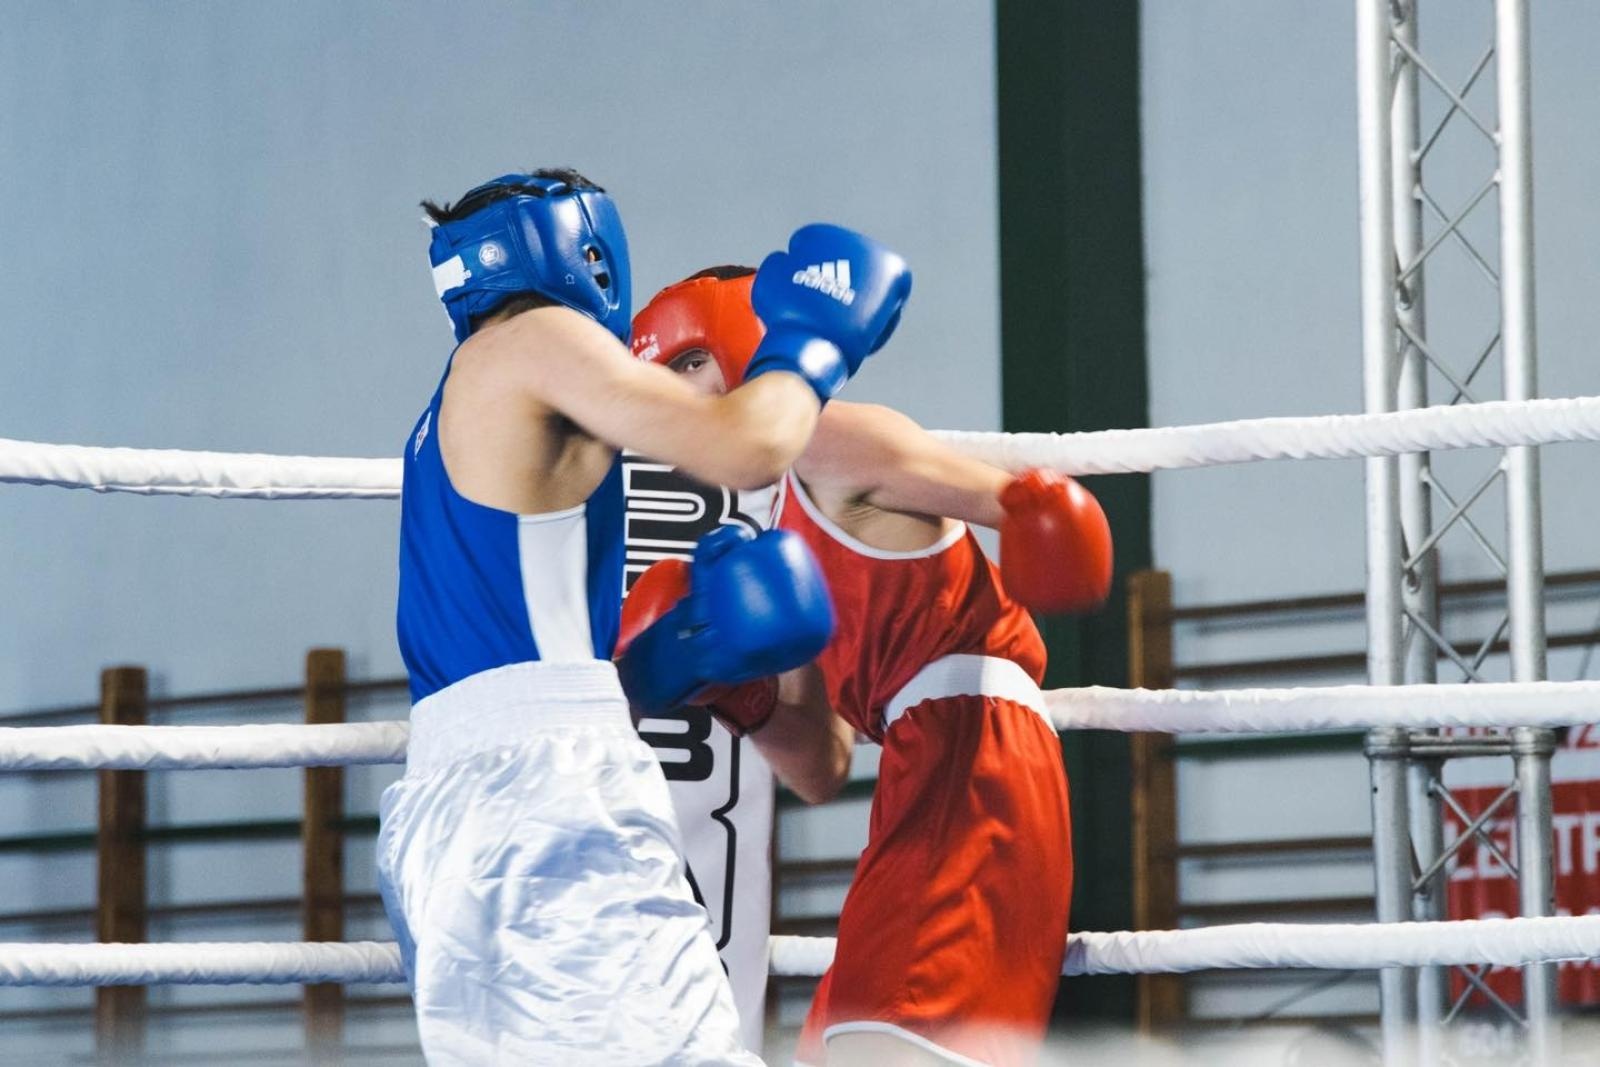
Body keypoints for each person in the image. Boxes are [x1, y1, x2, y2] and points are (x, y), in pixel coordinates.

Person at [377, 170, 911, 1064]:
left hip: (455, 798)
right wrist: (811, 342)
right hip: (542, 794)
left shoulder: (456, 406)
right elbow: (749, 446)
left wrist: (649, 670)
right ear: (589, 251)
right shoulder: (537, 338)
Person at [629, 267, 1112, 1066]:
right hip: (918, 777)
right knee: (842, 1044)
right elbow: (823, 764)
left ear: (743, 343)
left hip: (979, 760)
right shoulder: (765, 542)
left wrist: (1050, 527)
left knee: (886, 1040)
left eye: (686, 364)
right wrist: (735, 695)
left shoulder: (830, 439)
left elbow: (1030, 510)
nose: (671, 403)